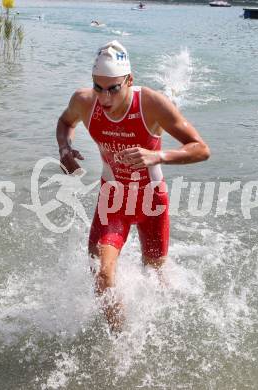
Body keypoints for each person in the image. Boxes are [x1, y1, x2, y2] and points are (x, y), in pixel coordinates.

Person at [56, 40, 210, 332]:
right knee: (101, 275)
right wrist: (65, 149)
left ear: (129, 80)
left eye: (113, 88)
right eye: (98, 87)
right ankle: (119, 343)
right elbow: (65, 123)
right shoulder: (84, 101)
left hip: (151, 200)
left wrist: (157, 155)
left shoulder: (151, 103)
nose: (105, 98)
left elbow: (201, 149)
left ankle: (163, 333)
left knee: (156, 275)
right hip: (112, 198)